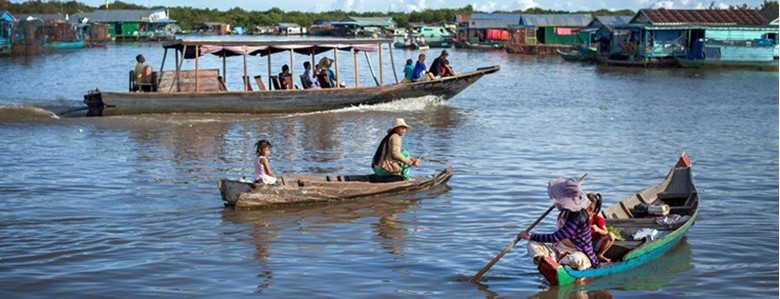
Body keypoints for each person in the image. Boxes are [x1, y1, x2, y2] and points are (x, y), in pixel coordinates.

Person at [517, 178, 601, 273]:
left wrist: (529, 236)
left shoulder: (578, 218)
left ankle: (556, 268)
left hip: (579, 254)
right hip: (559, 252)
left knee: (575, 258)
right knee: (532, 244)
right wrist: (531, 239)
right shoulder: (564, 214)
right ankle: (550, 266)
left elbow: (556, 237)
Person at [587, 193, 616, 262]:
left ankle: (600, 254)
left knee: (611, 235)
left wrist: (597, 230)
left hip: (596, 243)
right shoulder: (580, 218)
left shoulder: (597, 219)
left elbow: (606, 232)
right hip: (584, 244)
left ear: (591, 208)